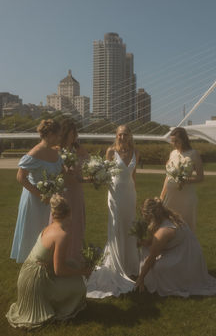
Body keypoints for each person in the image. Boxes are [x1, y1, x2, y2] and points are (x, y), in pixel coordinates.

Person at [6, 194, 90, 329]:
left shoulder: (49, 227)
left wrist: (77, 268)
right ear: (69, 213)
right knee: (79, 287)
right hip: (35, 282)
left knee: (73, 264)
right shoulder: (62, 235)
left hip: (27, 273)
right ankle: (53, 304)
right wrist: (83, 271)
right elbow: (59, 270)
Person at [87, 124, 140, 298]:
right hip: (115, 195)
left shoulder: (135, 152)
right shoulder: (111, 152)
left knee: (129, 228)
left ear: (130, 136)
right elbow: (104, 173)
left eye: (125, 134)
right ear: (116, 136)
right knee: (116, 228)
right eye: (119, 135)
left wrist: (135, 195)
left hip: (129, 195)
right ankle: (116, 265)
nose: (122, 137)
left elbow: (133, 176)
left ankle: (130, 265)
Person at [135, 198, 216, 297]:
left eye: (145, 216)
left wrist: (141, 278)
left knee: (156, 267)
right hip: (190, 257)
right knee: (146, 249)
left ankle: (173, 281)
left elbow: (151, 257)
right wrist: (144, 242)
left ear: (151, 216)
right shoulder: (172, 218)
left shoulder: (163, 231)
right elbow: (156, 242)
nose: (144, 219)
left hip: (183, 262)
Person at [10, 119, 62, 263]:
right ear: (50, 134)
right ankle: (31, 269)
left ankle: (44, 265)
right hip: (34, 200)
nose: (59, 138)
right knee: (33, 233)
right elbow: (20, 177)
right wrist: (40, 195)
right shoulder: (35, 152)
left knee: (46, 233)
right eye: (58, 135)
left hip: (48, 201)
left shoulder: (55, 152)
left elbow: (60, 172)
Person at [160, 127, 204, 232]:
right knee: (168, 225)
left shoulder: (193, 154)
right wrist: (162, 195)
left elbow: (200, 177)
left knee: (185, 226)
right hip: (171, 196)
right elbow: (168, 176)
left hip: (186, 197)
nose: (174, 144)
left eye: (177, 141)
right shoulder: (173, 154)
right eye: (172, 141)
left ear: (184, 140)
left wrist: (185, 181)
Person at [58, 118, 89, 263]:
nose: (74, 136)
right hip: (63, 191)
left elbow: (88, 163)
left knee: (77, 223)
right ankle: (61, 256)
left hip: (77, 191)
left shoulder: (78, 149)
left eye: (75, 133)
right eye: (71, 133)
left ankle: (75, 255)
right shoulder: (57, 150)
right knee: (63, 223)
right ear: (65, 134)